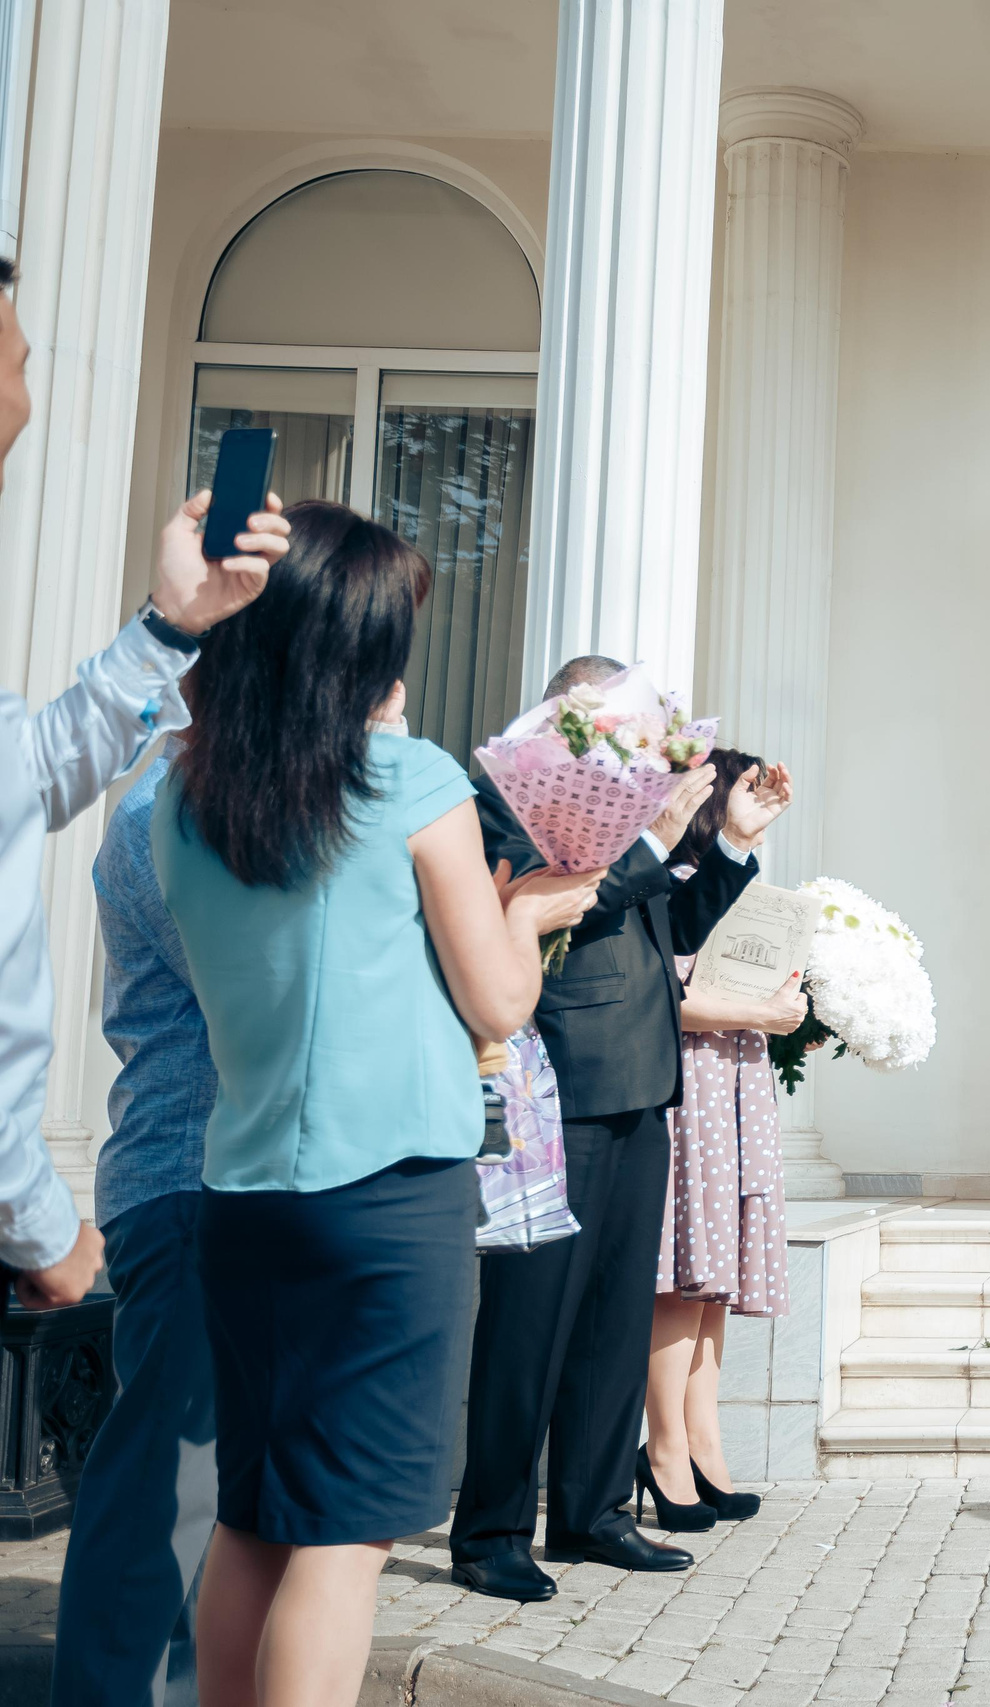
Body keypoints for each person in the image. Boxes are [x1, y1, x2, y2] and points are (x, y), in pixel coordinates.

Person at [150, 502, 601, 1707]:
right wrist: (531, 911)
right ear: (352, 648)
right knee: (346, 1536)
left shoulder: (180, 798)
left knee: (255, 1514)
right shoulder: (407, 779)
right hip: (387, 1203)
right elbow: (499, 1003)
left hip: (244, 1192)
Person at [451, 658, 782, 1602]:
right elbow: (549, 910)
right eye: (623, 726)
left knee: (612, 1314)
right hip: (562, 1078)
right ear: (570, 715)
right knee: (530, 1317)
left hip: (644, 1081)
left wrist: (724, 847)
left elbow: (680, 928)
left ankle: (591, 1513)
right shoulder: (506, 796)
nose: (635, 747)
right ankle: (491, 1529)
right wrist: (655, 837)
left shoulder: (637, 818)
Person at [0, 253, 290, 1313]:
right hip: (177, 1186)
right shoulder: (156, 817)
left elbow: (30, 774)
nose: (28, 398)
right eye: (18, 360)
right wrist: (31, 1215)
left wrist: (176, 619)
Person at [52, 745, 218, 1707]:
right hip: (187, 1181)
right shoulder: (164, 813)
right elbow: (249, 995)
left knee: (204, 1504)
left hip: (226, 1186)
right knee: (165, 1497)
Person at [642, 747, 804, 1529]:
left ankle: (704, 1439)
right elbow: (662, 997)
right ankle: (665, 1445)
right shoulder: (668, 888)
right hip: (694, 1082)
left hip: (734, 1078)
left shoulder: (732, 888)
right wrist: (755, 1013)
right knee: (684, 1275)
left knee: (716, 1282)